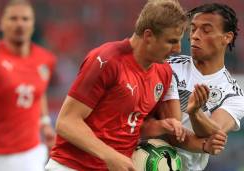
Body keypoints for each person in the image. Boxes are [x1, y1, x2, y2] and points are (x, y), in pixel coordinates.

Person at [46, 1, 188, 171]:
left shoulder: (163, 72)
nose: (178, 49)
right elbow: (66, 122)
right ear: (148, 36)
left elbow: (130, 125)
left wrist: (161, 126)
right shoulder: (106, 60)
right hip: (72, 166)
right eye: (171, 41)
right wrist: (109, 155)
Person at [163, 3, 244, 171]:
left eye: (206, 30)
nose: (195, 35)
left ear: (227, 37)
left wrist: (195, 112)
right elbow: (171, 132)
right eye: (193, 29)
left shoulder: (235, 96)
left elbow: (213, 135)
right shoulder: (167, 67)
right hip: (146, 159)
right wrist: (204, 139)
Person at [0, 0, 56, 171]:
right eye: (13, 18)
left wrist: (46, 123)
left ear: (32, 24)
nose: (20, 24)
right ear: (2, 24)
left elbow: (37, 92)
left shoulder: (45, 60)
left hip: (29, 153)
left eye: (25, 19)